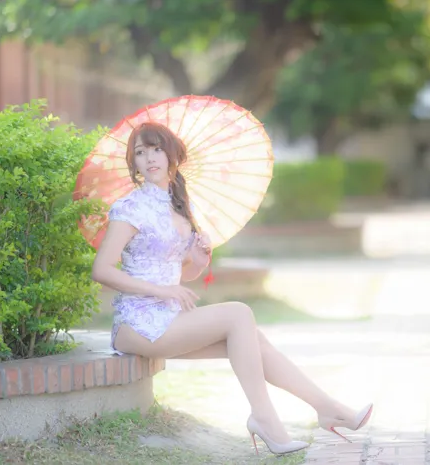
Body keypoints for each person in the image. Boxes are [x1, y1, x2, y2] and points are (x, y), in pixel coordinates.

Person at [90, 121, 372, 455]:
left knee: (255, 340)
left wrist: (197, 259)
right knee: (239, 314)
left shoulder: (179, 207)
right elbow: (102, 270)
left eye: (156, 149)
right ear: (133, 163)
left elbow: (180, 275)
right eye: (140, 152)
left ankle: (326, 408)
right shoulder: (130, 208)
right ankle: (266, 419)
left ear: (172, 156)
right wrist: (162, 292)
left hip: (166, 319)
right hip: (136, 324)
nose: (149, 157)